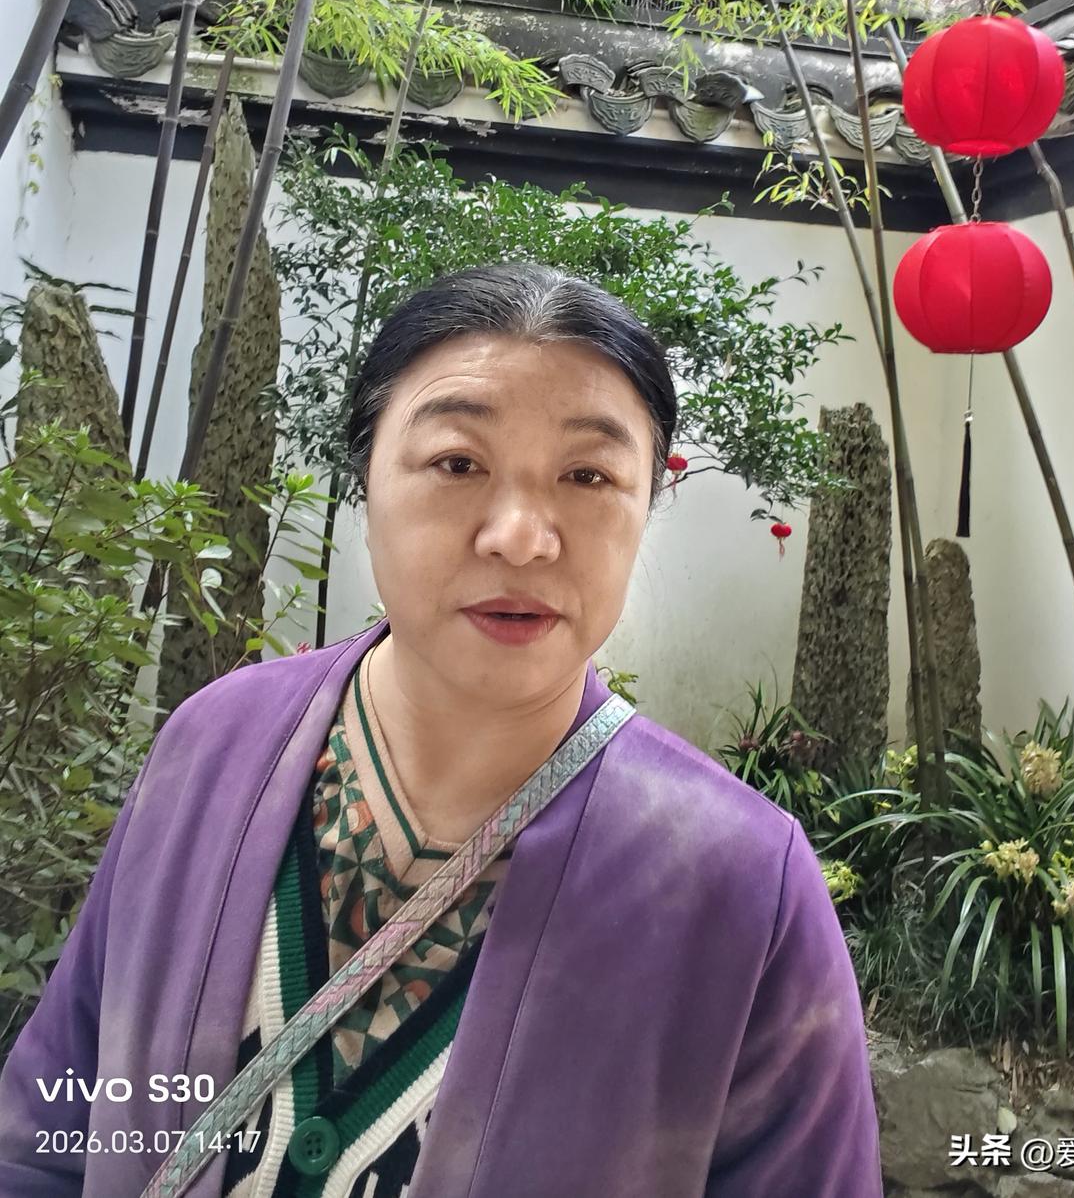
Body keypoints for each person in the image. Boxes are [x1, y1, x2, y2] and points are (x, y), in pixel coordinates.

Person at [0, 261, 883, 1198]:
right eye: (458, 463)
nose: (521, 536)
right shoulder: (211, 750)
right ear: (365, 479)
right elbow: (48, 1133)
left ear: (643, 512)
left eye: (588, 475)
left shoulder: (741, 889)